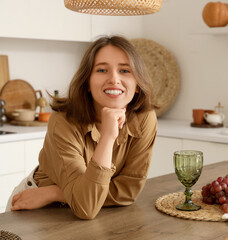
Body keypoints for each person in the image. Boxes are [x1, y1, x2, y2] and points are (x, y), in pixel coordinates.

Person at [6, 35, 158, 220]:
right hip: (37, 208)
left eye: (125, 70)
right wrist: (108, 138)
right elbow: (86, 207)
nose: (114, 79)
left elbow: (128, 192)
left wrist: (56, 193)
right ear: (87, 82)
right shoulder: (63, 120)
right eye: (102, 70)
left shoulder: (144, 118)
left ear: (137, 85)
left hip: (62, 201)